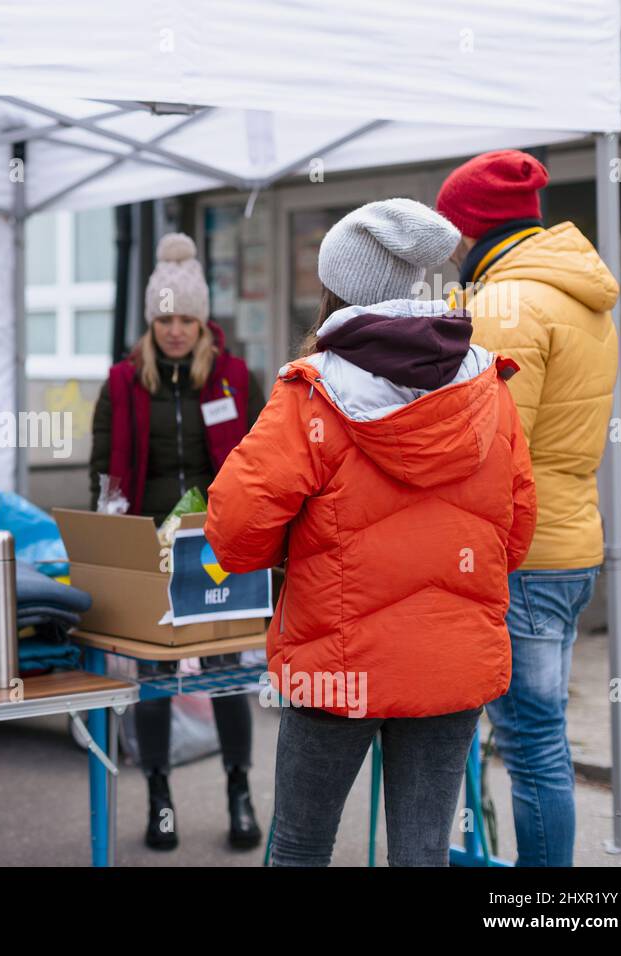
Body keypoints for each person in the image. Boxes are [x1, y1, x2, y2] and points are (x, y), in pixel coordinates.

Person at [206, 198, 538, 866]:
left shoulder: (311, 393)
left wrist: (303, 544)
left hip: (337, 661)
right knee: (422, 852)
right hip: (450, 660)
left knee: (301, 846)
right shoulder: (488, 385)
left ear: (336, 287)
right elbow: (517, 530)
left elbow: (234, 534)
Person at [437, 149, 619, 866]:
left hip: (522, 555)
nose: (449, 246)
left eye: (453, 229)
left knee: (531, 745)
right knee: (542, 738)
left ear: (476, 228)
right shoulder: (574, 292)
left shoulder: (507, 306)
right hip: (570, 545)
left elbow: (486, 451)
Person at [89, 233, 266, 851]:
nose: (174, 331)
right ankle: (159, 796)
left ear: (202, 320)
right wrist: (113, 530)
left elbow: (264, 458)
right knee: (155, 672)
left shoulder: (235, 379)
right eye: (164, 319)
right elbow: (104, 474)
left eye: (185, 318)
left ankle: (239, 791)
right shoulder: (121, 382)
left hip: (218, 546)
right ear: (150, 320)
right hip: (150, 545)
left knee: (225, 670)